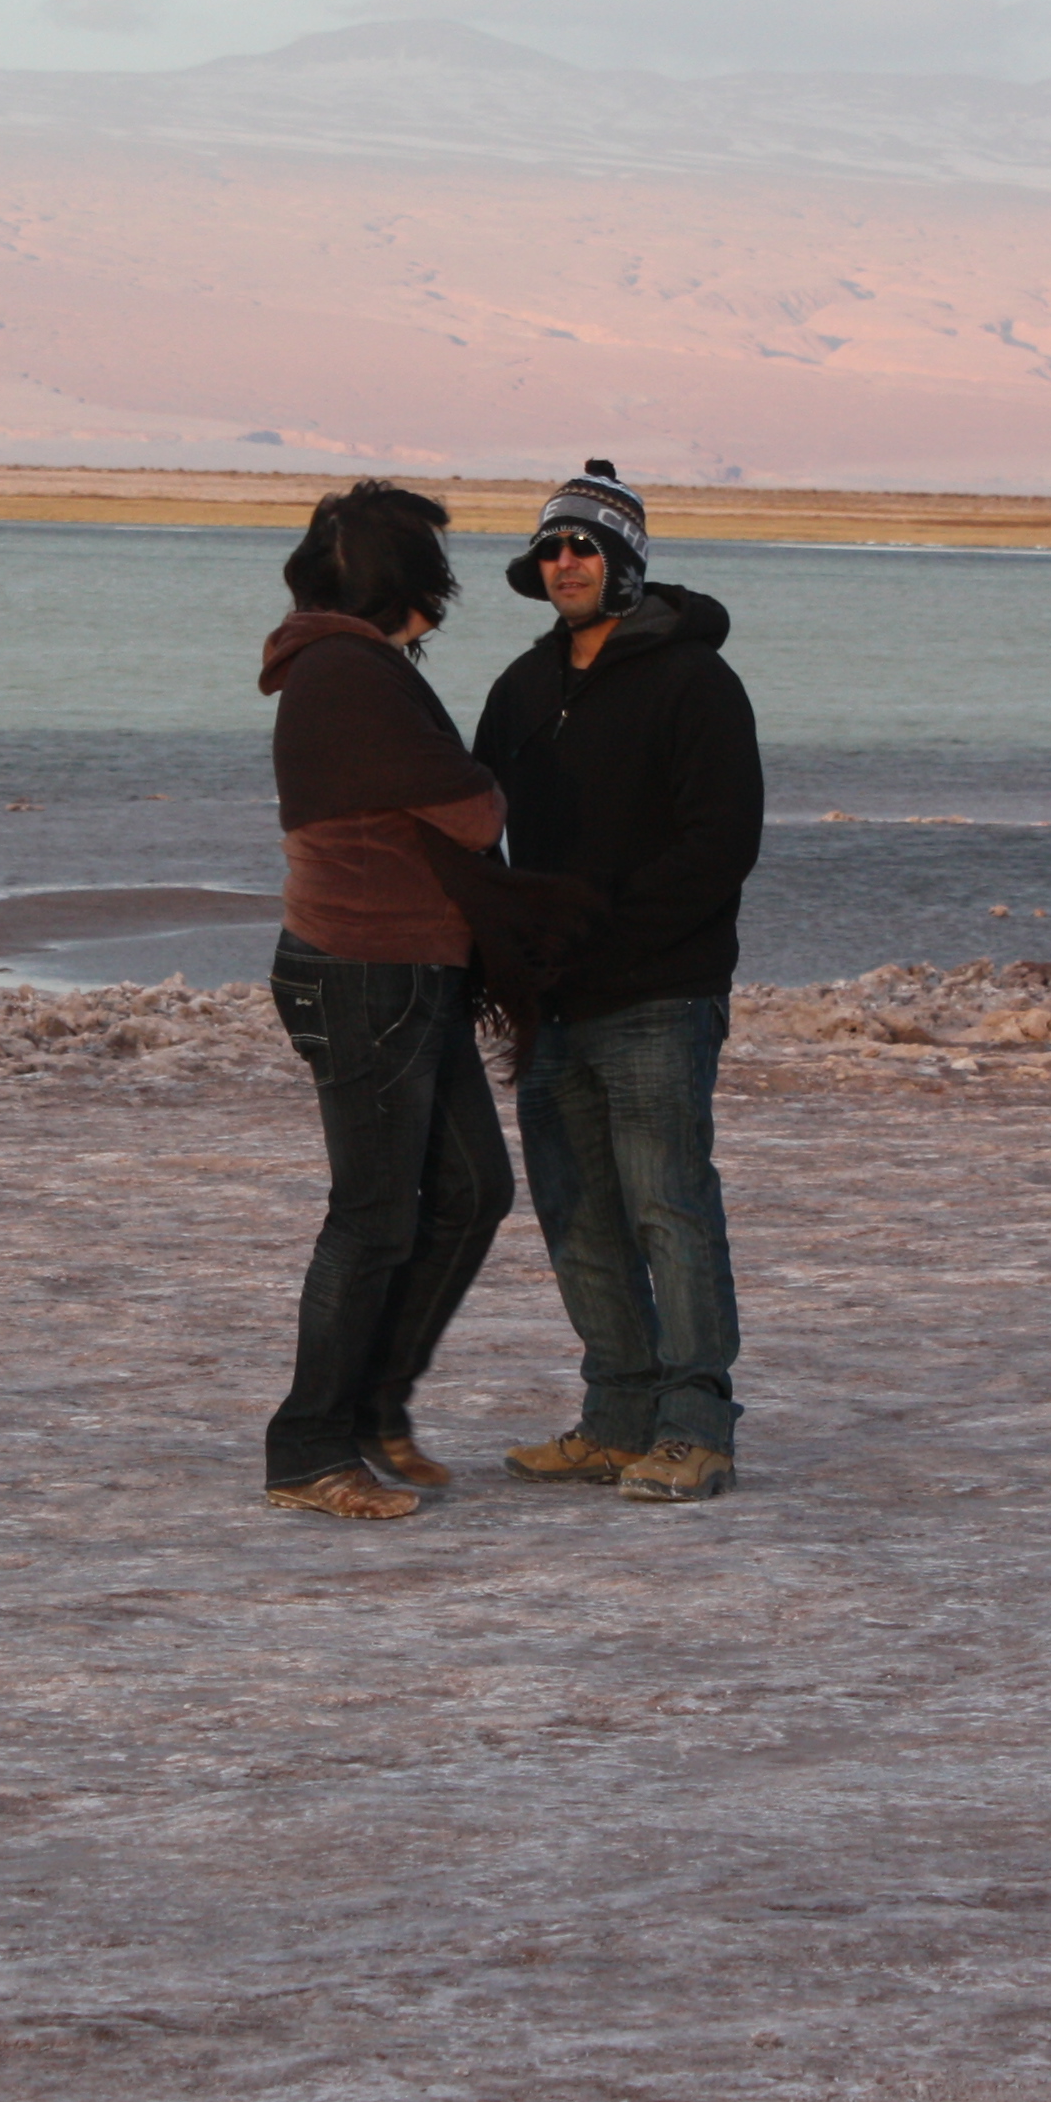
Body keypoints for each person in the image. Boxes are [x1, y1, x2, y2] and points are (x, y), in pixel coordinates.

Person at [470, 460, 764, 1504]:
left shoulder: (696, 684)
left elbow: (721, 844)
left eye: (584, 545)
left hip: (657, 994)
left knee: (668, 1208)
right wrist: (500, 950)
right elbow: (477, 830)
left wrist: (596, 927)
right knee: (576, 1213)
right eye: (550, 547)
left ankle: (695, 1423)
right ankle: (616, 1415)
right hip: (554, 1005)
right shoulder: (520, 689)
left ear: (626, 559)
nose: (564, 563)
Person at [256, 480, 515, 1521]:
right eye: (432, 586)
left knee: (470, 1191)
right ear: (405, 587)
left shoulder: (343, 667)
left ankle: (372, 1408)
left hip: (404, 972)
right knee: (371, 1216)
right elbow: (474, 808)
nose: (440, 611)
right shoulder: (350, 675)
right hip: (366, 973)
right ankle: (309, 1448)